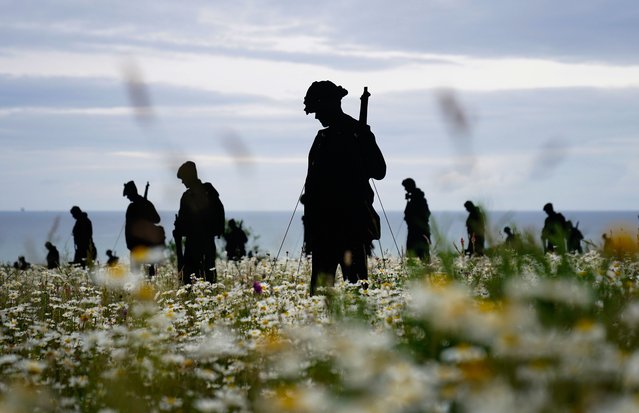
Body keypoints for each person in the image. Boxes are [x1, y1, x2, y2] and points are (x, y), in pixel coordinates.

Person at [301, 80, 386, 295]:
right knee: (319, 296)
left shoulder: (357, 133)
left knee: (356, 291)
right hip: (324, 230)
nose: (317, 117)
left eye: (318, 110)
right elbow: (311, 188)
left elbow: (379, 170)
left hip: (351, 227)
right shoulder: (322, 138)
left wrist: (364, 140)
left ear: (330, 105)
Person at [173, 161, 225, 284]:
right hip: (205, 243)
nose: (182, 182)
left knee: (194, 280)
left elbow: (184, 223)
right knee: (208, 277)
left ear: (190, 176)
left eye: (183, 178)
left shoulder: (188, 196)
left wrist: (179, 228)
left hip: (195, 245)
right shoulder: (209, 192)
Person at [123, 181, 164, 276]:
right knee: (147, 272)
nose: (128, 197)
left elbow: (157, 219)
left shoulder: (133, 207)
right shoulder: (146, 204)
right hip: (143, 244)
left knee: (141, 272)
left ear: (132, 192)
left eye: (128, 195)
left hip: (139, 244)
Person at [401, 178, 431, 261]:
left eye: (406, 187)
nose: (405, 189)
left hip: (418, 230)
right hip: (415, 229)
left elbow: (425, 213)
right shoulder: (416, 198)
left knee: (421, 253)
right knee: (418, 253)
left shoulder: (418, 199)